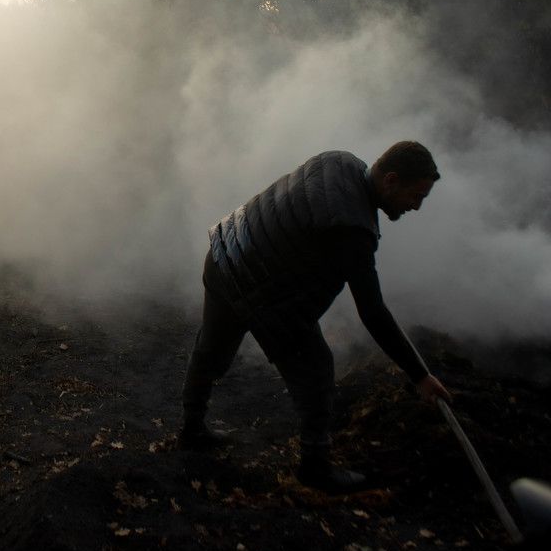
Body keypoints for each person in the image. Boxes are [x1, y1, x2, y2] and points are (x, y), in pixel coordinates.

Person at [178, 141, 452, 494]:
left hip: (227, 252)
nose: (416, 206)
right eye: (416, 196)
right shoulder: (353, 227)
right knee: (317, 368)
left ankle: (191, 429)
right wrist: (420, 375)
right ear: (392, 181)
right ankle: (315, 469)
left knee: (211, 350)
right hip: (258, 281)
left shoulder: (341, 161)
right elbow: (372, 312)